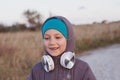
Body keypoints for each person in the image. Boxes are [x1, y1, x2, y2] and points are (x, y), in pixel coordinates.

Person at [27, 16, 96, 80]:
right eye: (47, 38)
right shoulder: (36, 70)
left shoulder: (82, 69)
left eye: (57, 37)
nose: (52, 42)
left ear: (68, 39)